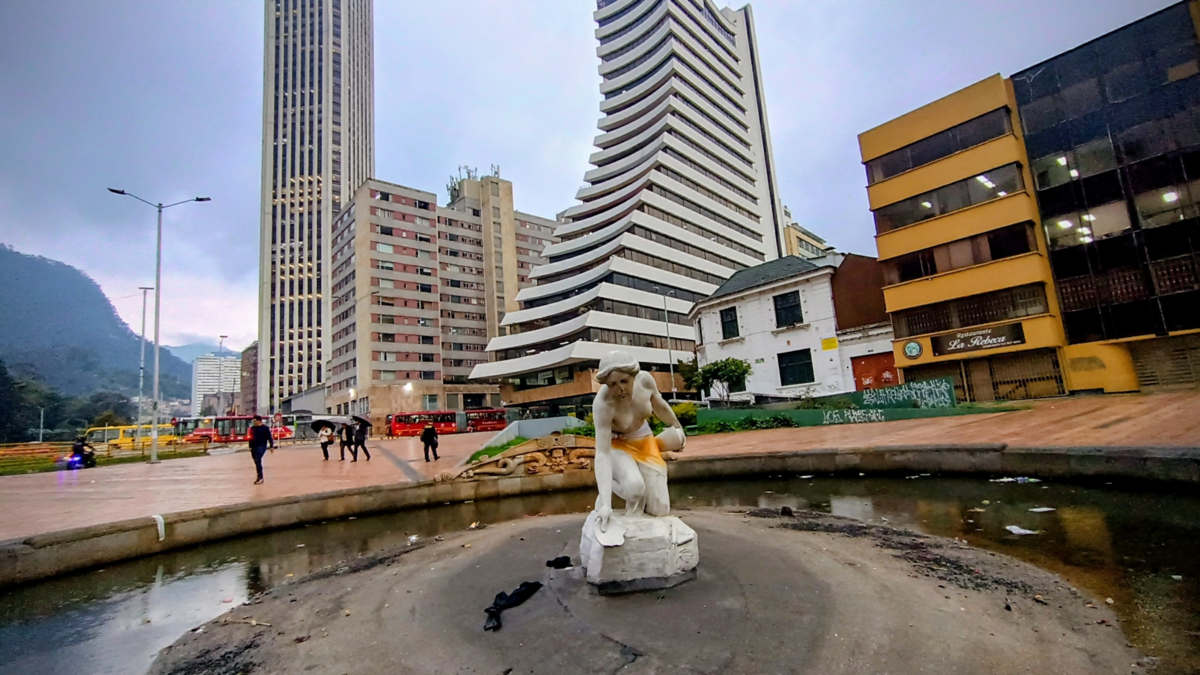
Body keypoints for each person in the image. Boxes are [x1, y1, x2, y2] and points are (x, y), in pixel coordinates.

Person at [590, 351, 686, 536]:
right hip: (618, 445)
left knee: (660, 508)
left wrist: (677, 428)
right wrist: (606, 503)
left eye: (624, 381)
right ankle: (608, 485)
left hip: (645, 441)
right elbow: (602, 452)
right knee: (634, 489)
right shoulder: (603, 404)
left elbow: (660, 405)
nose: (620, 389)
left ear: (633, 375)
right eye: (612, 384)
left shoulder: (645, 381)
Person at [248, 416, 275, 485]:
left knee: (258, 459)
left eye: (255, 421)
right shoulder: (252, 428)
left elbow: (269, 437)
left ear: (259, 421)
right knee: (256, 462)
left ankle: (260, 477)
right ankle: (259, 476)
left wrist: (271, 446)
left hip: (262, 446)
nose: (254, 422)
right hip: (253, 447)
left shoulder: (265, 428)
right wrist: (250, 446)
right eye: (253, 421)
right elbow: (251, 437)